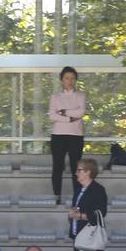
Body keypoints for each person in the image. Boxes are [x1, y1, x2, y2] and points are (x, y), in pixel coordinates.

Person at [48, 66, 87, 204]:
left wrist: (63, 112)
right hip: (58, 135)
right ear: (62, 80)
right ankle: (57, 196)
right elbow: (52, 115)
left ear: (75, 80)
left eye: (72, 78)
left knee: (75, 167)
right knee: (57, 165)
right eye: (66, 78)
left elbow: (81, 112)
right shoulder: (55, 97)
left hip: (76, 135)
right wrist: (69, 117)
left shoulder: (81, 95)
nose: (69, 81)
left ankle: (77, 197)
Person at [67, 158, 108, 251]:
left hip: (90, 237)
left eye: (79, 170)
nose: (76, 173)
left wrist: (79, 216)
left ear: (88, 172)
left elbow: (100, 212)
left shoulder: (98, 190)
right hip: (77, 236)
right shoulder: (78, 190)